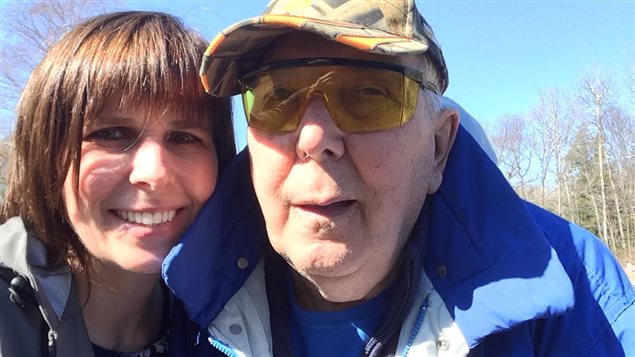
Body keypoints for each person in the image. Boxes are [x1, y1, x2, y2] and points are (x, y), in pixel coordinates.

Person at [163, 0, 634, 355]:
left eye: (369, 93)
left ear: (438, 147)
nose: (313, 136)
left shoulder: (574, 283)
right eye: (277, 96)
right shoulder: (177, 299)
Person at [0, 11, 235, 357]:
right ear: (46, 155)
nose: (153, 172)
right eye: (110, 134)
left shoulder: (241, 319)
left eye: (184, 136)